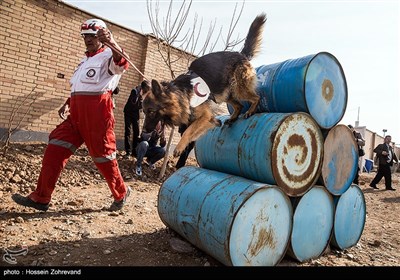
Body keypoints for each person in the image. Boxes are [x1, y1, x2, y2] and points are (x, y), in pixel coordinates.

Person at [12, 18, 131, 212]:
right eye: (85, 36)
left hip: (98, 115)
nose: (88, 40)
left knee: (104, 158)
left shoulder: (109, 54)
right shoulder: (85, 60)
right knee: (55, 147)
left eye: (92, 36)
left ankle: (121, 192)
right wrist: (68, 103)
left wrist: (112, 42)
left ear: (102, 36)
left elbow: (122, 63)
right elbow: (81, 85)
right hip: (75, 114)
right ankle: (41, 198)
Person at [123, 85, 142, 158]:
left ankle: (134, 151)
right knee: (128, 131)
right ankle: (128, 151)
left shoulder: (144, 94)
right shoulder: (134, 91)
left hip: (135, 114)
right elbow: (133, 102)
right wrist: (140, 98)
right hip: (128, 112)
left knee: (136, 132)